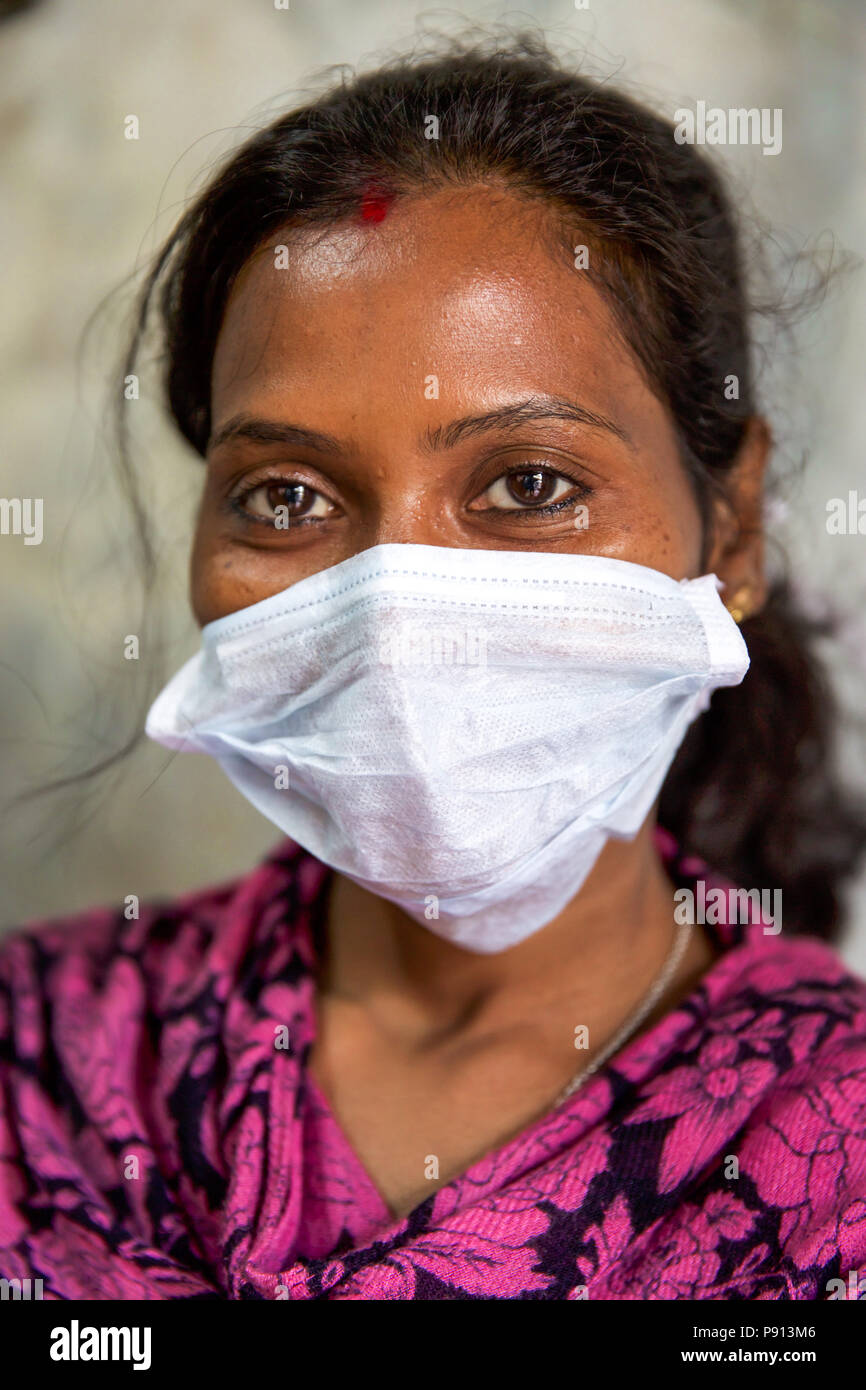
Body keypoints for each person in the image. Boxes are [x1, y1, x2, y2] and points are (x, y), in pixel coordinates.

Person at [1, 35, 865, 1302]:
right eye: (287, 494)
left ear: (725, 527)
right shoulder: (40, 1043)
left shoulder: (829, 1145)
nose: (396, 616)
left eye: (528, 484)